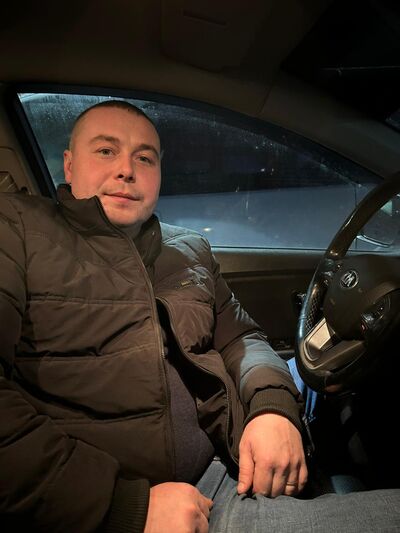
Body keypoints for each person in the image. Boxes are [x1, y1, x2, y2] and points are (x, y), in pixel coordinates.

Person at [0, 100, 399, 533]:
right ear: (69, 164)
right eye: (106, 151)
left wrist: (272, 408)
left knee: (343, 385)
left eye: (144, 158)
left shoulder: (187, 248)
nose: (126, 170)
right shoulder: (17, 229)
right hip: (148, 504)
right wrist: (124, 506)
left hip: (230, 451)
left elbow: (241, 338)